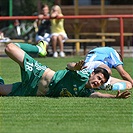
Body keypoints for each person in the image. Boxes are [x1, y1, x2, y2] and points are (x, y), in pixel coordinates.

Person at [0, 42, 130, 98]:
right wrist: (75, 67)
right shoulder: (83, 74)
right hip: (38, 73)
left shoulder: (85, 91)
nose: (98, 82)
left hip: (30, 90)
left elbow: (98, 95)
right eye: (99, 78)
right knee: (10, 48)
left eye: (101, 82)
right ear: (92, 73)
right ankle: (39, 49)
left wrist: (114, 98)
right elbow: (69, 65)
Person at [67, 47, 133, 90]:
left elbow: (70, 65)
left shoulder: (99, 51)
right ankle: (104, 86)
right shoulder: (113, 53)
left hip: (87, 68)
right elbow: (123, 73)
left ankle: (101, 85)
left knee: (128, 84)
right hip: (95, 69)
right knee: (108, 71)